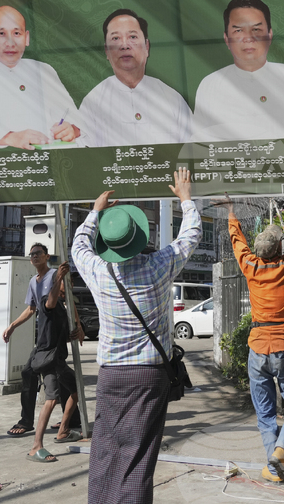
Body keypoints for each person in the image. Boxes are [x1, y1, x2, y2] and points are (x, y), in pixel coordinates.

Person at [71, 168, 201, 503]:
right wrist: (186, 199)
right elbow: (190, 237)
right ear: (140, 238)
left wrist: (94, 212)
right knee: (138, 457)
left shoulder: (98, 271)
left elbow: (78, 246)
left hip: (111, 375)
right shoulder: (159, 266)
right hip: (148, 375)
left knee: (105, 451)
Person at [219, 180, 284, 483]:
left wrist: (232, 212)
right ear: (278, 249)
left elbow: (237, 241)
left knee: (264, 411)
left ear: (260, 253)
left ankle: (275, 466)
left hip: (257, 345)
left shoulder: (251, 266)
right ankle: (281, 452)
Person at [192, 0, 284, 141]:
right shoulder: (210, 85)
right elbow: (200, 147)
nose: (248, 38)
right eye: (239, 31)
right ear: (226, 39)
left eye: (256, 29)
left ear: (270, 35)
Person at [0, 5, 86, 149]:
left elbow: (74, 119)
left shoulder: (44, 70)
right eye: (1, 33)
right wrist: (10, 137)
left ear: (26, 38)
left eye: (17, 33)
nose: (10, 42)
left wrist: (71, 129)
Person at [78, 9, 192, 147]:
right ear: (107, 51)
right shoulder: (93, 102)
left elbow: (193, 150)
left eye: (132, 37)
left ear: (147, 47)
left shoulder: (172, 99)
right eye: (115, 38)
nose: (124, 45)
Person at [3, 243, 83, 439]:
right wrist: (12, 325)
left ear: (47, 256)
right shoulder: (33, 282)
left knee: (46, 374)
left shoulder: (56, 274)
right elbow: (31, 309)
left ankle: (30, 423)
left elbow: (69, 300)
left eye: (38, 253)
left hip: (55, 333)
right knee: (48, 373)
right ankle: (69, 420)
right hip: (45, 335)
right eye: (31, 254)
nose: (34, 256)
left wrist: (78, 326)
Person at [25, 261, 83, 463]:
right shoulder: (47, 300)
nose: (69, 287)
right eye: (65, 283)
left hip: (58, 358)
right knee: (51, 400)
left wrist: (75, 331)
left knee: (77, 390)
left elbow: (64, 334)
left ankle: (64, 430)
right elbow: (49, 303)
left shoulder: (63, 306)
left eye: (71, 284)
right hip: (47, 358)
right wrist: (58, 276)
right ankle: (35, 447)